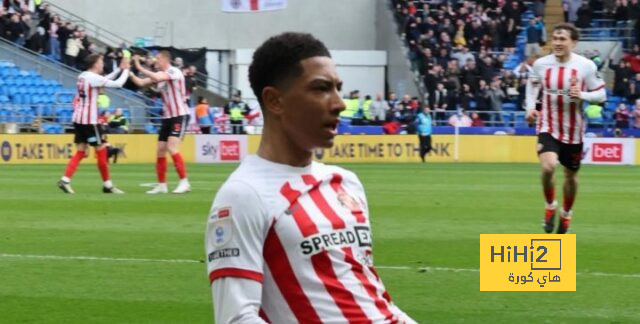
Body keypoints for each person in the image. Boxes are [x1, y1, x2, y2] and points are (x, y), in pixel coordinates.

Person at [205, 32, 416, 324]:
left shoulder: (345, 182)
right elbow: (236, 318)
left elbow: (367, 293)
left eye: (338, 88)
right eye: (321, 89)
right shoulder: (243, 195)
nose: (340, 103)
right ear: (274, 100)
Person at [525, 23, 606, 234]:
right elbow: (533, 85)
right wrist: (531, 108)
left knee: (570, 176)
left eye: (563, 39)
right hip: (548, 124)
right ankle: (550, 206)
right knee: (548, 167)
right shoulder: (541, 64)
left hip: (574, 130)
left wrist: (583, 95)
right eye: (555, 38)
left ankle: (566, 213)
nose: (558, 43)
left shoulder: (585, 66)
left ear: (574, 42)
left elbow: (601, 94)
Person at [57, 53, 130, 194]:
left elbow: (102, 80)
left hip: (78, 119)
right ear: (95, 64)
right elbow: (118, 84)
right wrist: (126, 70)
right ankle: (107, 185)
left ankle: (65, 180)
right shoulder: (92, 78)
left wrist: (118, 70)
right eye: (101, 61)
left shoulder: (83, 75)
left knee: (81, 151)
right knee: (102, 149)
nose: (103, 64)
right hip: (90, 121)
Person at [129, 51, 191, 194]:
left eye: (158, 59)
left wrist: (139, 66)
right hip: (168, 116)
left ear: (164, 59)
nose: (156, 62)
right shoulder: (161, 75)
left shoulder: (173, 71)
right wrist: (129, 72)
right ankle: (162, 185)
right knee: (160, 149)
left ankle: (184, 182)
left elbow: (156, 76)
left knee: (172, 147)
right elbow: (141, 82)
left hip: (179, 115)